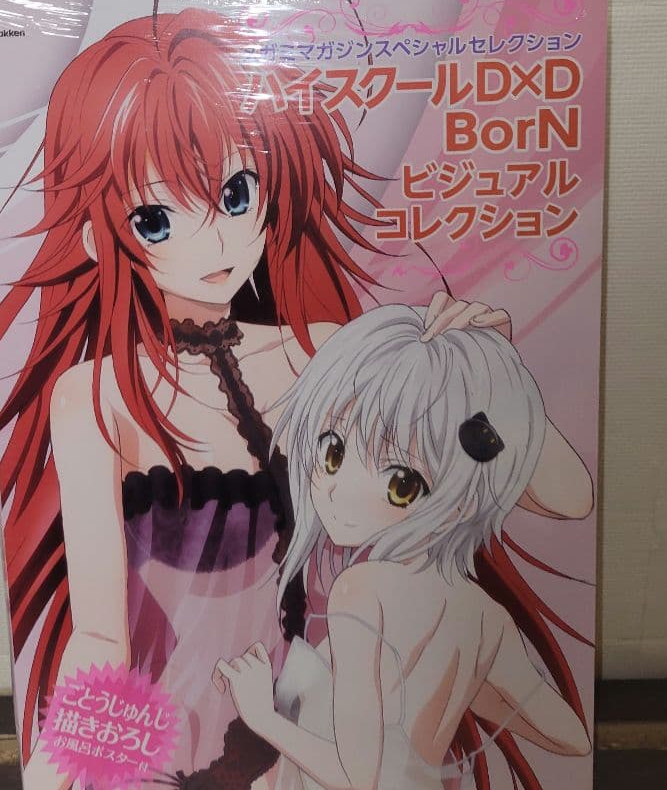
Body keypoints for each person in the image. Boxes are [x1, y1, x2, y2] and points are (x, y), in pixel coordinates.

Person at [0, 7, 591, 789]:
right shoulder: (96, 397)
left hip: (324, 737)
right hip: (173, 743)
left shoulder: (327, 351)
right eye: (157, 218)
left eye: (235, 193)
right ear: (101, 237)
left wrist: (493, 375)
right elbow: (102, 636)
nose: (213, 240)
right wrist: (55, 772)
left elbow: (568, 500)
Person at [214, 306, 591, 790]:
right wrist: (451, 695)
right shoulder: (483, 615)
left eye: (401, 484)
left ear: (460, 494)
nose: (337, 490)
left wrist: (262, 716)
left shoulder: (362, 590)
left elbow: (360, 779)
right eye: (332, 452)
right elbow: (571, 737)